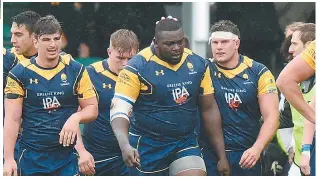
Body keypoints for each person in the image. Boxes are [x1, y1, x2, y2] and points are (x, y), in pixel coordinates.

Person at [110, 18, 230, 176]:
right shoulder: (137, 68)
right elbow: (119, 110)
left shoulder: (198, 64)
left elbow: (209, 109)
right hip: (148, 147)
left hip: (184, 143)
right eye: (169, 44)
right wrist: (124, 145)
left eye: (180, 42)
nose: (177, 48)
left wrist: (222, 156)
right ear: (156, 42)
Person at [3, 15, 98, 176]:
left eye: (56, 38)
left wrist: (76, 118)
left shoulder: (76, 69)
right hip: (31, 156)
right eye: (46, 39)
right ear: (35, 41)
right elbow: (12, 119)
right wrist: (9, 159)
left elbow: (92, 107)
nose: (53, 44)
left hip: (67, 158)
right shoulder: (19, 73)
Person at [200, 20, 279, 176]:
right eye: (214, 42)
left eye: (224, 42)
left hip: (247, 153)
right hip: (209, 153)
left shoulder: (258, 72)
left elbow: (272, 117)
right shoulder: (201, 69)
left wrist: (257, 148)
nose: (219, 47)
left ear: (236, 43)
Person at [80, 29, 139, 176]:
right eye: (120, 58)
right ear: (109, 52)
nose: (125, 64)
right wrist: (81, 152)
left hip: (133, 154)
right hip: (98, 156)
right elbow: (71, 115)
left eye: (130, 58)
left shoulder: (142, 73)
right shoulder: (91, 74)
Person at [276, 38, 316, 176]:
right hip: (302, 156)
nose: (290, 50)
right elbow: (313, 111)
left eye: (294, 43)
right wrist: (305, 151)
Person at [3, 11, 41, 89]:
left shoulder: (61, 60)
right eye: (12, 34)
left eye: (18, 35)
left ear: (35, 36)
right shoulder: (5, 59)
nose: (12, 40)